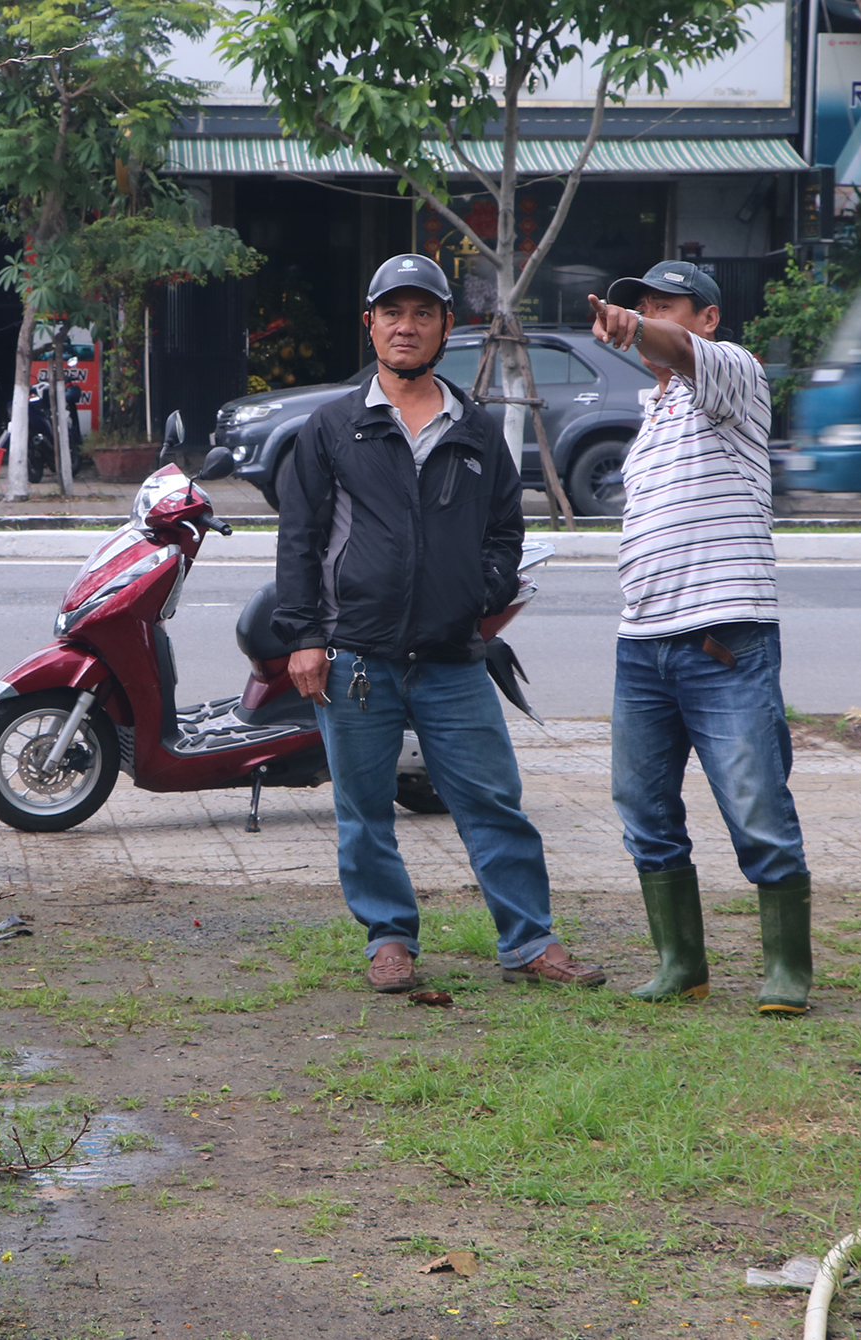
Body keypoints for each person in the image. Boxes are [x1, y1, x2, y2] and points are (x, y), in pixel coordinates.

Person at [271, 253, 605, 994]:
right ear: (370, 324)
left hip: (454, 658)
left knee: (493, 803)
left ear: (447, 327)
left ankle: (529, 943)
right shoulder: (329, 429)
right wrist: (305, 637)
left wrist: (473, 597)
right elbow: (298, 541)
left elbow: (504, 535)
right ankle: (389, 939)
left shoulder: (479, 430)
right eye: (393, 312)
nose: (407, 326)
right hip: (356, 658)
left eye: (424, 313)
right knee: (364, 812)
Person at [587, 262, 813, 1014]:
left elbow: (680, 353)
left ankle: (787, 969)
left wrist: (632, 329)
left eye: (665, 306)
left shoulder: (733, 377)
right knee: (643, 809)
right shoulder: (654, 413)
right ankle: (681, 963)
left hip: (724, 640)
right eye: (640, 307)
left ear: (706, 318)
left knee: (754, 804)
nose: (648, 316)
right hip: (641, 643)